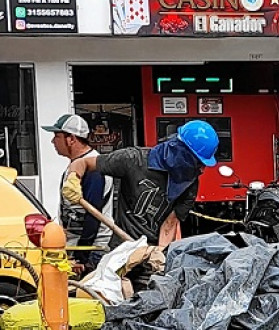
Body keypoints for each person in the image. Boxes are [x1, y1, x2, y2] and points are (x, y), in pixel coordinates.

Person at [61, 120, 219, 249]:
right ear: (181, 152)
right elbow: (82, 163)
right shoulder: (133, 160)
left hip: (150, 251)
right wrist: (73, 178)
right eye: (198, 162)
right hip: (121, 250)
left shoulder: (189, 183)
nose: (202, 169)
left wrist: (159, 252)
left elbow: (170, 223)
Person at [44, 114, 112, 271]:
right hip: (77, 246)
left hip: (91, 250)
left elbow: (93, 214)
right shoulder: (78, 164)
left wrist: (82, 257)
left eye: (57, 136)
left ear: (71, 139)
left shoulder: (93, 167)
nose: (53, 142)